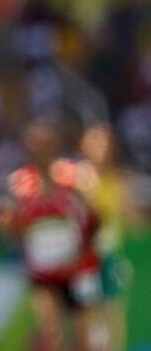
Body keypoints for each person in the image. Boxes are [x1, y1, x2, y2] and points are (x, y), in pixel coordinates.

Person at [0, 119, 104, 351]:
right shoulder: (20, 182)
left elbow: (95, 217)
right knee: (50, 331)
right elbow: (13, 229)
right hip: (42, 270)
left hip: (78, 269)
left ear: (56, 145)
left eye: (45, 144)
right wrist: (5, 224)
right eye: (35, 145)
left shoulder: (73, 176)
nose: (40, 151)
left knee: (84, 334)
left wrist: (84, 252)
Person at [80, 123, 145, 351]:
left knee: (114, 314)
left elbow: (134, 224)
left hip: (112, 256)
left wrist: (131, 211)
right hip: (82, 259)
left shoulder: (120, 181)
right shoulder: (77, 179)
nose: (100, 148)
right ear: (84, 145)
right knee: (85, 318)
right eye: (95, 142)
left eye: (105, 143)